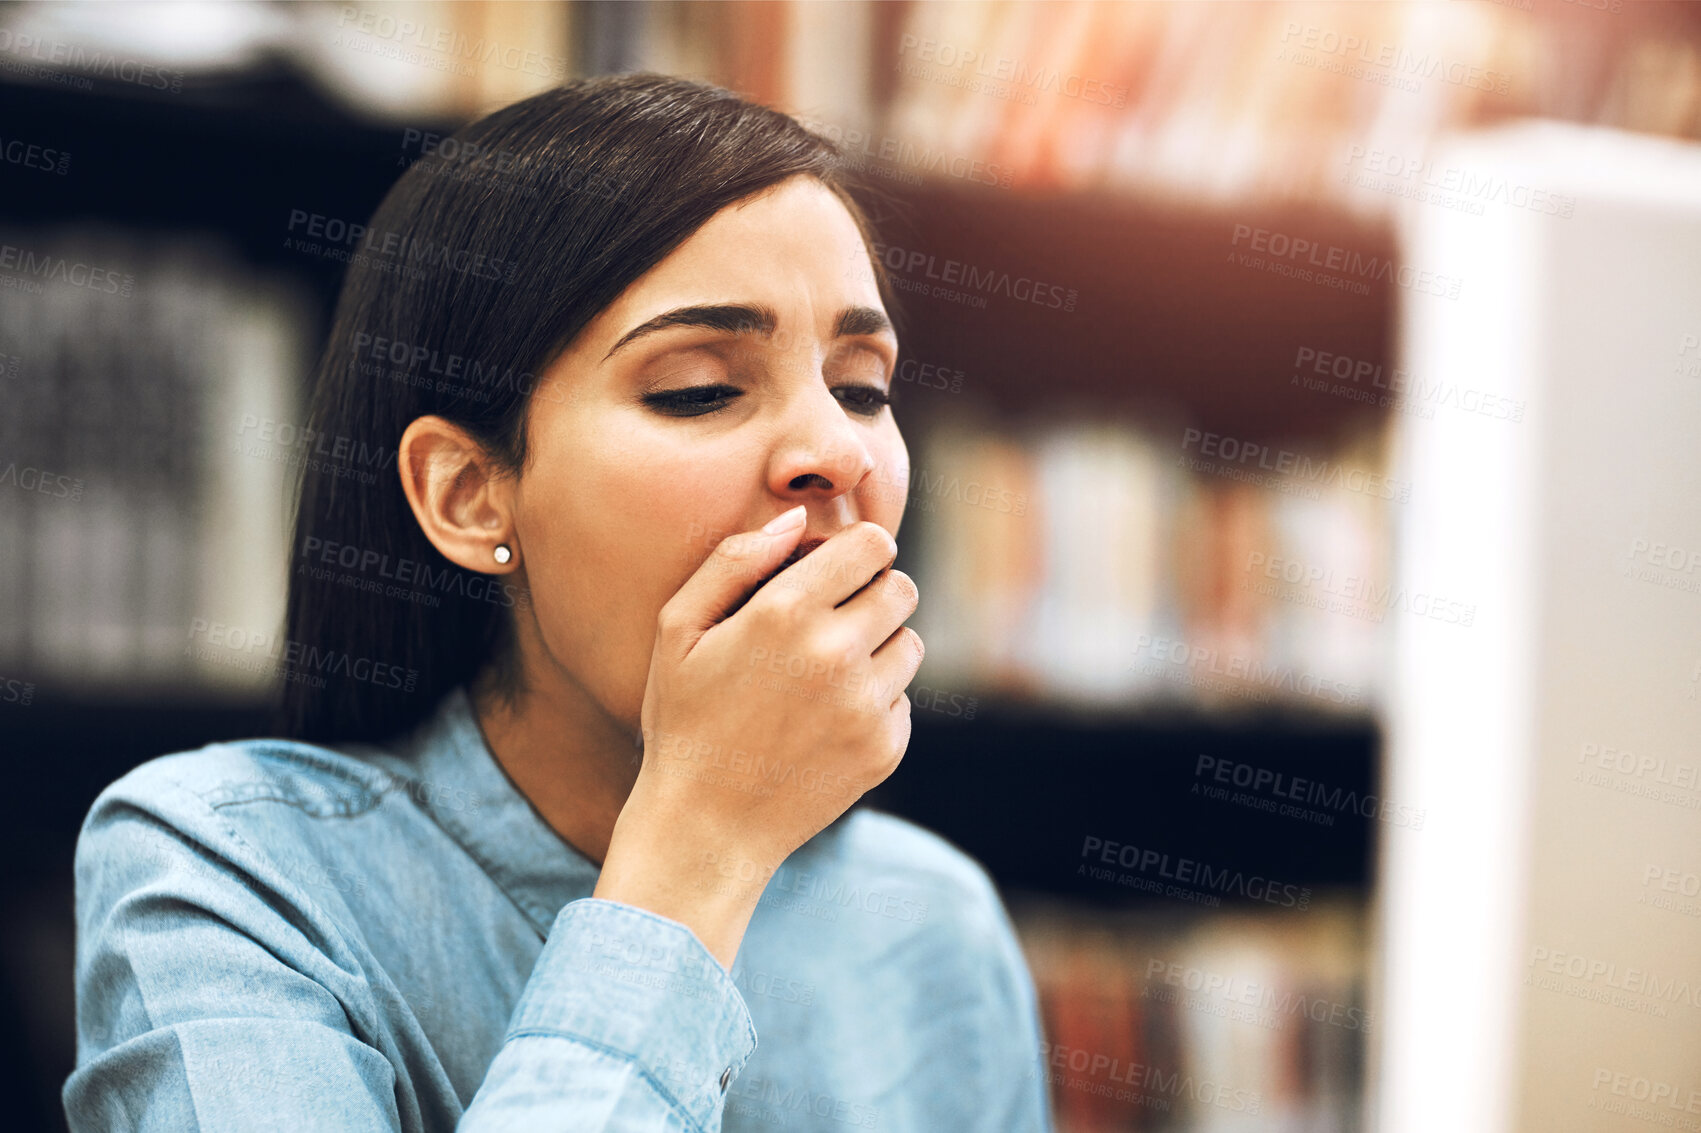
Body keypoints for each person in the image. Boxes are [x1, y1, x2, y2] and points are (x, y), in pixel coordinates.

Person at [64, 72, 1053, 1132]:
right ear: (467, 492)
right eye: (699, 387)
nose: (836, 449)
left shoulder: (935, 919)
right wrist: (699, 842)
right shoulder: (226, 866)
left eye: (861, 384)